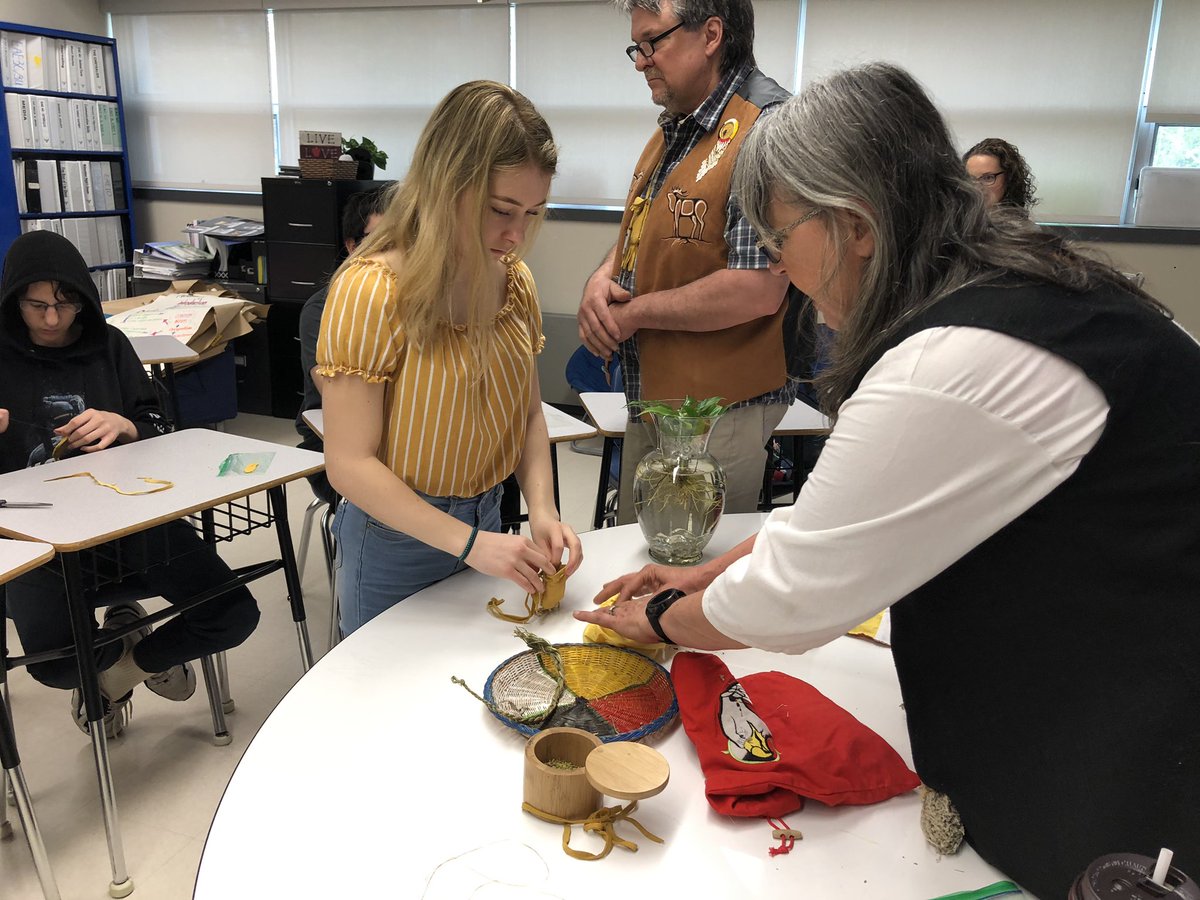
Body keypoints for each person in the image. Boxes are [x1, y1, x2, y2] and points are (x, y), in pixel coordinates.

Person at [576, 62, 1200, 899]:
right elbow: (857, 516)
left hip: (1136, 742)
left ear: (854, 224)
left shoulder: (952, 360)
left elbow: (792, 598)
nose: (783, 274)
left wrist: (658, 616)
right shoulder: (1026, 285)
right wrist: (706, 572)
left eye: (779, 237)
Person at [316, 81, 582, 636]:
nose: (516, 234)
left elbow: (527, 414)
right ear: (445, 186)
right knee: (388, 694)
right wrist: (468, 543)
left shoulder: (514, 284)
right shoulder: (372, 290)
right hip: (397, 537)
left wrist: (543, 510)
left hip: (488, 519)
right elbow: (348, 463)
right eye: (501, 210)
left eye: (532, 213)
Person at [0, 231, 261, 738]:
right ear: (14, 301)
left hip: (130, 520)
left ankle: (123, 666)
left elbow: (162, 430)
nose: (53, 319)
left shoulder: (110, 345)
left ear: (83, 298)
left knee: (232, 615)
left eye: (65, 302)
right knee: (55, 666)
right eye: (36, 306)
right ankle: (121, 640)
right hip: (34, 540)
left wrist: (128, 427)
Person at [576, 0, 799, 522]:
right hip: (657, 395)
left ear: (711, 34)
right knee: (638, 560)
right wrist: (602, 277)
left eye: (653, 42)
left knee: (685, 577)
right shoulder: (677, 128)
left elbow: (758, 288)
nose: (641, 60)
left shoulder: (764, 128)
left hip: (718, 414)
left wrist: (630, 315)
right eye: (637, 46)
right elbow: (650, 228)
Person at [296, 188, 386, 506]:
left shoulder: (415, 306)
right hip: (331, 440)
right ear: (352, 247)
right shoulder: (322, 308)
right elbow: (330, 384)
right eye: (381, 242)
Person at [963, 137, 1038, 211]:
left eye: (988, 178)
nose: (977, 187)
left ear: (1009, 179)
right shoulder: (959, 220)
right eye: (971, 179)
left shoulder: (1016, 223)